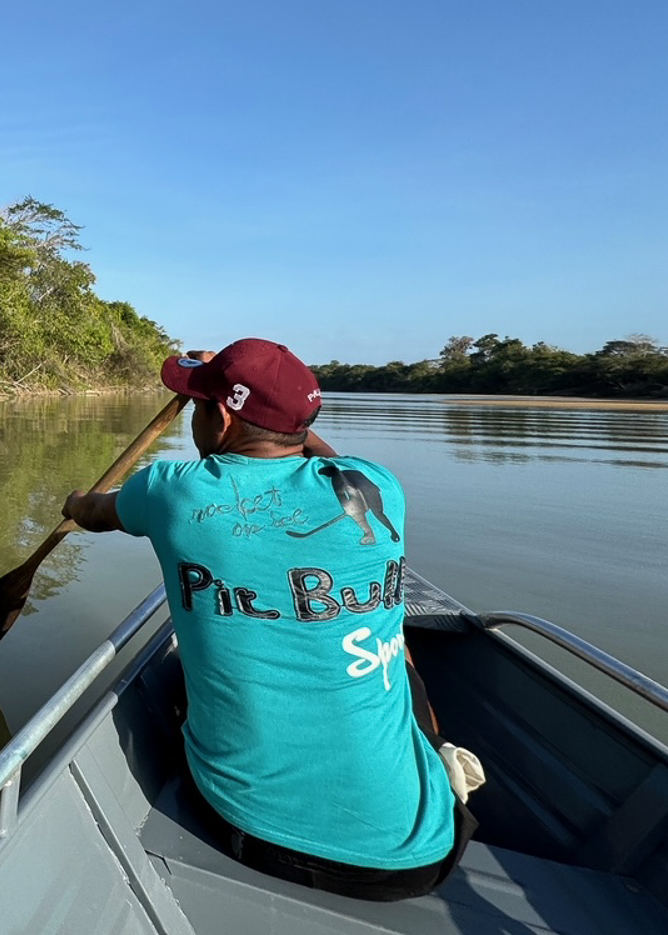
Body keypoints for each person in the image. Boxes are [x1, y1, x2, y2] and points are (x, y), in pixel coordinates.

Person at [62, 339, 472, 902]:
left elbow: (93, 512)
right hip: (422, 855)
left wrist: (73, 501)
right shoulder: (381, 484)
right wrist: (257, 404)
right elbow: (326, 462)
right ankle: (435, 748)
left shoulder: (172, 491)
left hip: (251, 833)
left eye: (202, 407)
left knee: (177, 671)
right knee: (395, 648)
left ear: (223, 416)